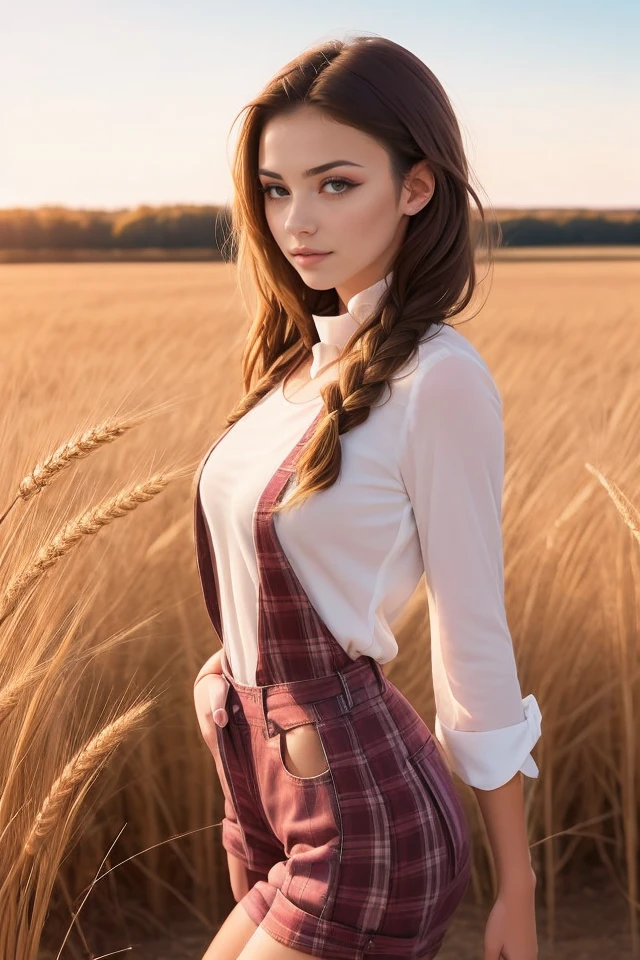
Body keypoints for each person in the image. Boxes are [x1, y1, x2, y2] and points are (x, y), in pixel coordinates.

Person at [192, 34, 542, 960]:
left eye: (335, 183)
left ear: (417, 188)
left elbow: (475, 637)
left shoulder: (440, 381)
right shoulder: (294, 371)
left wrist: (520, 885)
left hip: (370, 825)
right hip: (273, 802)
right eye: (275, 188)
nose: (296, 219)